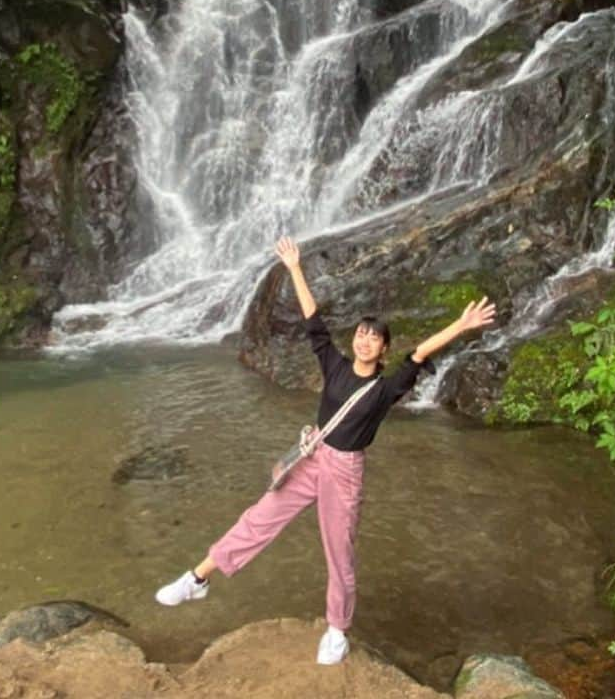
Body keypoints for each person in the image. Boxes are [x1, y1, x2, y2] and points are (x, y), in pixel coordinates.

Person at [154, 235, 497, 665]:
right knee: (259, 517)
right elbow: (313, 319)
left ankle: (337, 630)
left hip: (345, 471)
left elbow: (420, 353)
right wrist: (295, 267)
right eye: (361, 334)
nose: (365, 341)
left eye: (374, 338)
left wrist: (461, 326)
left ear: (383, 349)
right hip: (312, 456)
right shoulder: (334, 364)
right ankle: (198, 578)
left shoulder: (385, 388)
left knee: (340, 552)